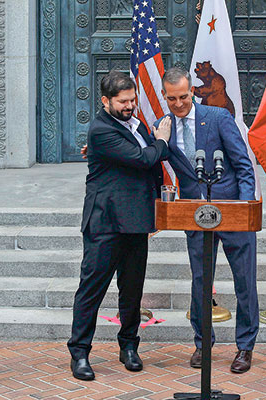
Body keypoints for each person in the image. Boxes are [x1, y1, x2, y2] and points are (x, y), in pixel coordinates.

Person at [67, 70, 171, 381]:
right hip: (106, 222)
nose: (130, 105)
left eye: (133, 99)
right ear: (105, 101)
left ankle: (129, 346)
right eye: (123, 101)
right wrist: (162, 140)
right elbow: (143, 159)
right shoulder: (101, 130)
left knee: (132, 291)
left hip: (137, 220)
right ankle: (80, 353)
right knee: (91, 290)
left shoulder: (137, 124)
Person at [154, 67, 259, 374]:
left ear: (192, 92)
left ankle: (245, 347)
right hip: (193, 214)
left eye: (184, 97)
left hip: (232, 211)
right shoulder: (164, 127)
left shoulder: (217, 117)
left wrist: (244, 208)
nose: (178, 104)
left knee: (245, 282)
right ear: (163, 95)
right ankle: (203, 343)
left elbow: (243, 165)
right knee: (201, 282)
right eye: (171, 98)